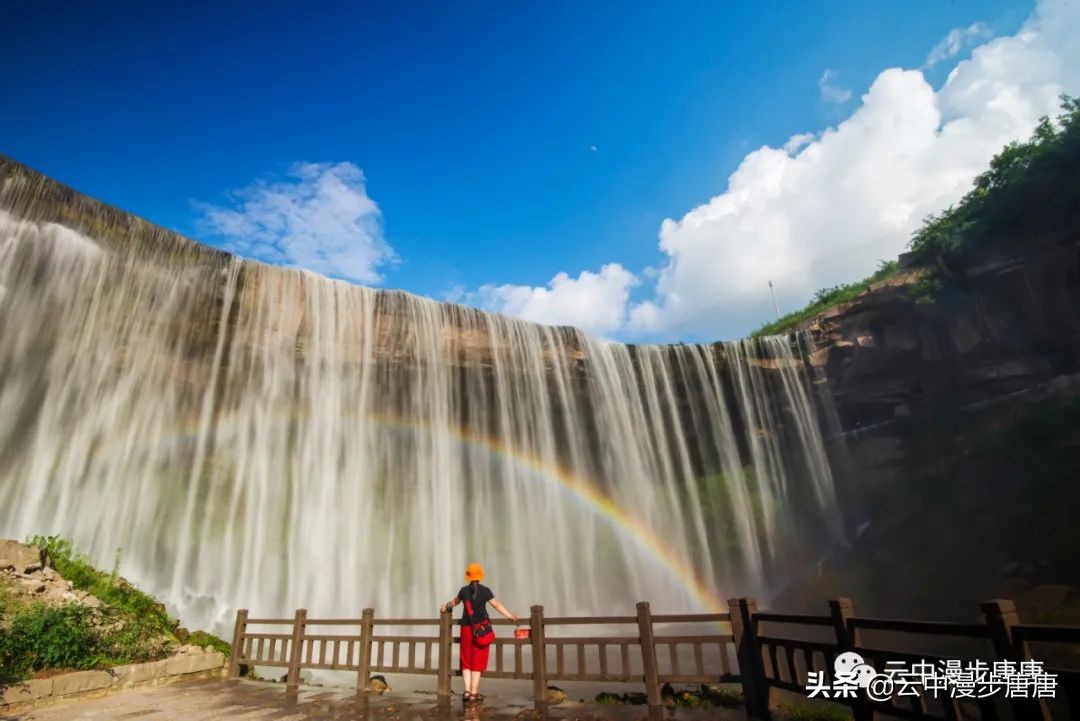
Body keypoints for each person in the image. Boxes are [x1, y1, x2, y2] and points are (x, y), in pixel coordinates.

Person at [441, 562, 518, 702]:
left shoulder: (463, 591)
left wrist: (444, 607)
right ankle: (474, 693)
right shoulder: (485, 591)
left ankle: (466, 691)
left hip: (466, 629)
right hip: (480, 630)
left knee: (466, 660)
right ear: (480, 577)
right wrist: (510, 615)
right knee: (478, 660)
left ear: (468, 577)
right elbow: (496, 605)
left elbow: (454, 602)